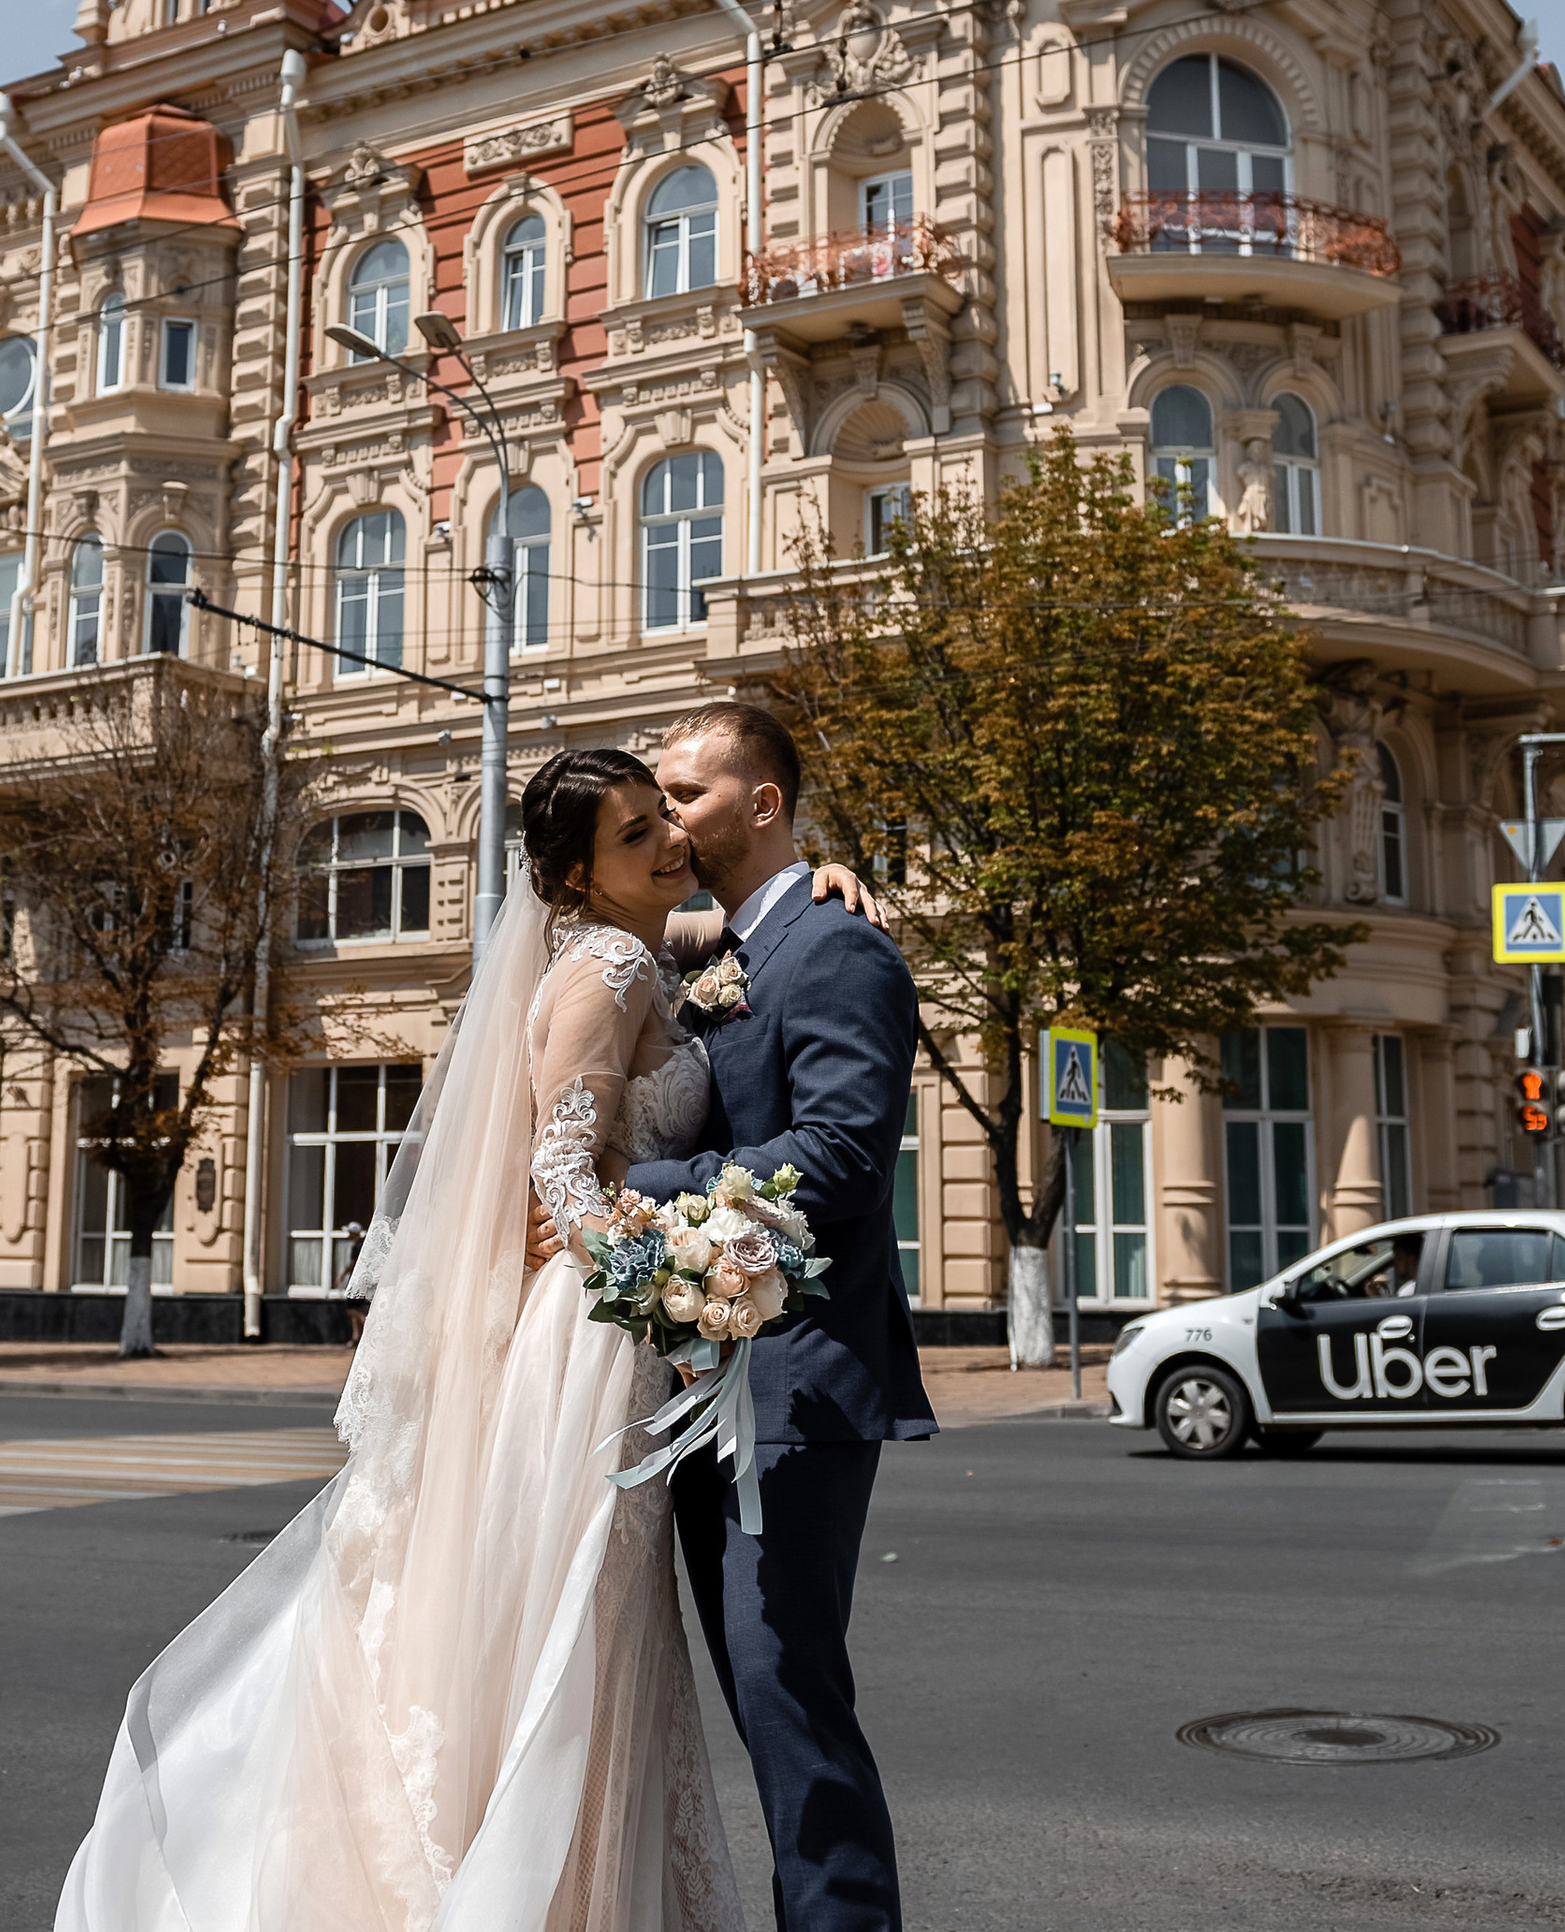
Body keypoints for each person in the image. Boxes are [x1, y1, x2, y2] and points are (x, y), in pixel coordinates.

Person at [54, 743, 886, 1932]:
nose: (667, 842)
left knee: (602, 1629)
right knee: (572, 1624)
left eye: (666, 815)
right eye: (636, 832)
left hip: (624, 1327)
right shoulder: (604, 962)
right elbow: (558, 1167)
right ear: (575, 878)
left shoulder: (651, 949)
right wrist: (659, 1272)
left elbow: (756, 939)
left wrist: (828, 873)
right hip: (596, 1332)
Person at [626, 702, 935, 1932]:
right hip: (707, 1377)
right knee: (764, 1696)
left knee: (786, 1694)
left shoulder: (837, 947)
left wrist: (633, 1191)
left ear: (760, 804)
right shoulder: (728, 941)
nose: (666, 817)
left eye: (686, 795)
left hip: (794, 1388)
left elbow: (842, 1159)